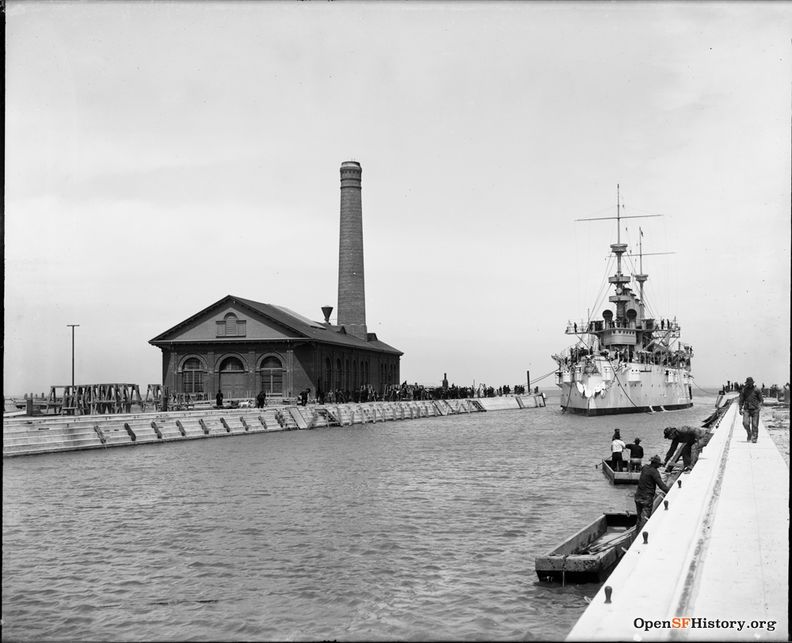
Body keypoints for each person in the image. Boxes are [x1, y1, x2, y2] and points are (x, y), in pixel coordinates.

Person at [634, 455, 669, 535]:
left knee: (639, 518)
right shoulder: (654, 472)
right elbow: (661, 486)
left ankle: (636, 534)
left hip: (638, 496)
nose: (659, 466)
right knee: (645, 519)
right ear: (656, 464)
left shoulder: (645, 467)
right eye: (658, 465)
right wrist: (670, 491)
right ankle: (640, 536)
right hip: (646, 498)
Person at [738, 376, 763, 443]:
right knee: (745, 423)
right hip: (746, 409)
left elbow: (761, 400)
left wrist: (759, 406)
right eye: (748, 382)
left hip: (755, 409)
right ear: (746, 383)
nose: (749, 384)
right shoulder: (744, 390)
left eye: (750, 382)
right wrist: (740, 408)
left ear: (752, 382)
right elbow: (741, 400)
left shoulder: (757, 390)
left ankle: (754, 438)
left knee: (755, 425)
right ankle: (749, 433)